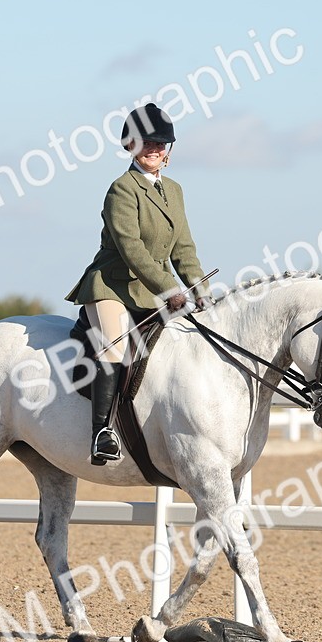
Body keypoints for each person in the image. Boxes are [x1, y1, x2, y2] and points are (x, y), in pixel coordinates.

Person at [65, 102, 213, 465]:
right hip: (111, 286)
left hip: (152, 290)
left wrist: (201, 291)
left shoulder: (174, 191)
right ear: (130, 145)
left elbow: (183, 247)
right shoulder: (122, 189)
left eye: (160, 143)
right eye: (146, 142)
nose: (154, 149)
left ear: (169, 149)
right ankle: (102, 431)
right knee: (116, 347)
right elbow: (132, 250)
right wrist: (170, 288)